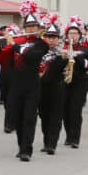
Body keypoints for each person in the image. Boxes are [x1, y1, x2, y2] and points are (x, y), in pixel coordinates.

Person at [2, 1, 48, 161]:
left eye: (34, 26)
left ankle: (26, 150)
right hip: (16, 84)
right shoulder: (19, 41)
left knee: (29, 117)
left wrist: (13, 44)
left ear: (38, 28)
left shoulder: (42, 44)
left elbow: (30, 56)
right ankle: (21, 146)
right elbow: (4, 59)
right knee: (18, 117)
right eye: (28, 26)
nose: (31, 29)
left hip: (32, 85)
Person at [61, 18, 88, 149]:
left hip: (79, 83)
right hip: (64, 82)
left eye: (75, 33)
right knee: (65, 110)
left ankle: (75, 138)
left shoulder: (86, 50)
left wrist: (76, 56)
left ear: (80, 35)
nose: (73, 36)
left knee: (75, 110)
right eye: (70, 33)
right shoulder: (62, 49)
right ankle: (68, 136)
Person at [36, 16, 65, 155]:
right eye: (49, 37)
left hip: (56, 88)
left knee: (55, 117)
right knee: (44, 116)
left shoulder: (63, 53)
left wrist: (63, 60)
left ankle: (52, 144)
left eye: (54, 37)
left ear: (58, 39)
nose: (51, 40)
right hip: (41, 88)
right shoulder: (39, 52)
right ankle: (46, 141)